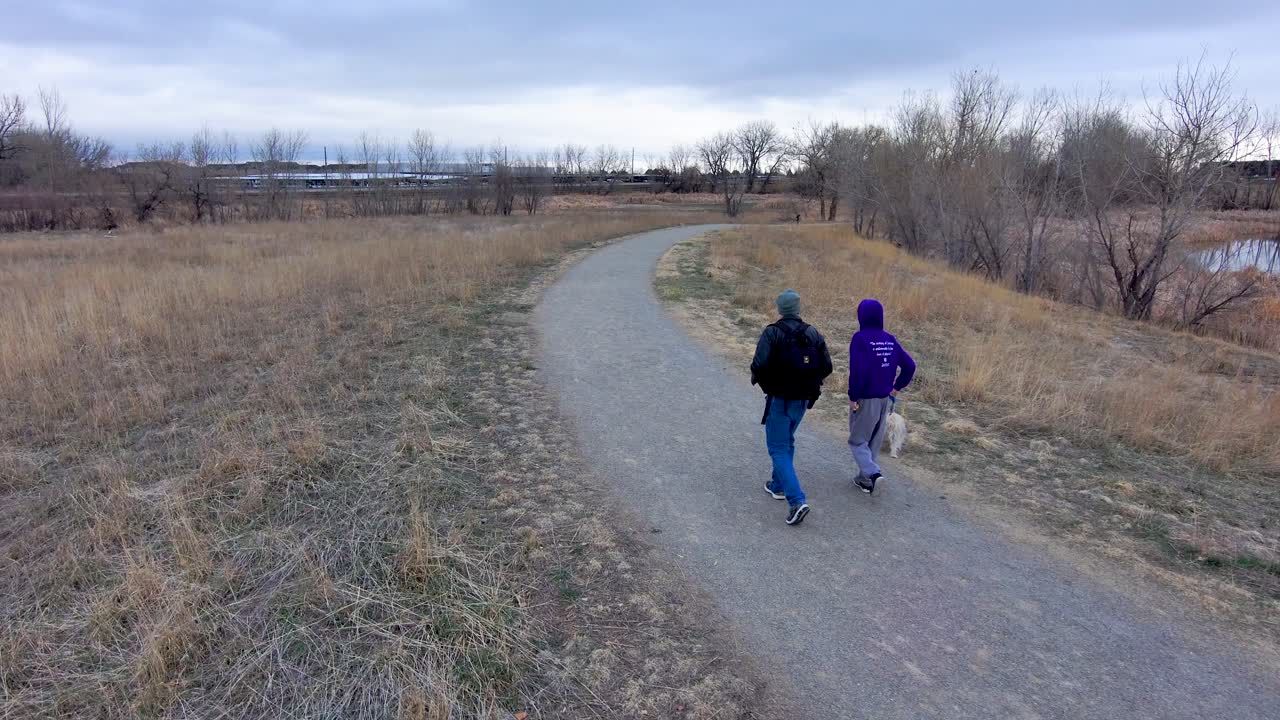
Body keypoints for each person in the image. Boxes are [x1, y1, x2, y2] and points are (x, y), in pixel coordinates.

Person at [750, 289, 834, 525]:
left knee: (777, 447)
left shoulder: (772, 332)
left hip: (779, 399)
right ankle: (777, 485)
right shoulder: (812, 333)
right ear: (797, 308)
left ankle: (796, 501)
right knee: (788, 441)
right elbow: (827, 366)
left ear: (780, 309)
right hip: (803, 400)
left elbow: (759, 364)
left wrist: (764, 382)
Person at [847, 298, 916, 494]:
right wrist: (896, 388)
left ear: (862, 316)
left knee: (857, 440)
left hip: (865, 399)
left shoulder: (860, 338)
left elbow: (858, 371)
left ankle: (873, 473)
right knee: (874, 442)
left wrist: (853, 396)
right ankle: (865, 480)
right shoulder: (890, 339)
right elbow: (910, 366)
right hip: (885, 399)